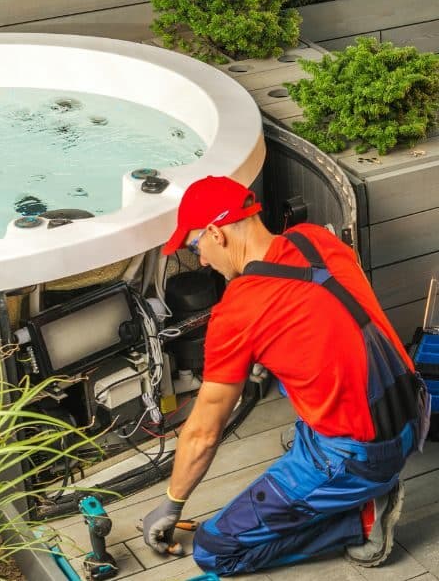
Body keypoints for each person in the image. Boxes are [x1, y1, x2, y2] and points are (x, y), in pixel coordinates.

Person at [141, 176, 430, 576]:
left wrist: (171, 503)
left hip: (358, 456)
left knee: (214, 550)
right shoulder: (315, 239)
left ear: (215, 233)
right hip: (412, 411)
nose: (202, 260)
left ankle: (360, 520)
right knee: (288, 380)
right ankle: (343, 479)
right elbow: (333, 318)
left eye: (196, 247)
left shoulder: (239, 310)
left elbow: (204, 433)